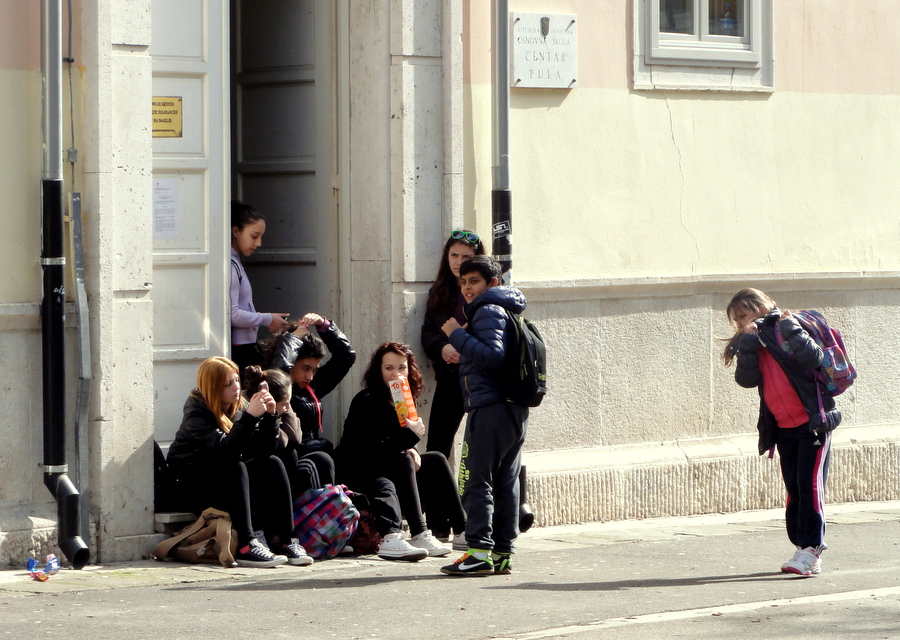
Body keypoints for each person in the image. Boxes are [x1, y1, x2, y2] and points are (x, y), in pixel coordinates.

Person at [723, 288, 841, 576]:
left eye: (743, 315)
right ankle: (802, 547)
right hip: (782, 427)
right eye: (736, 320)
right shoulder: (753, 340)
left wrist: (790, 329)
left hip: (813, 421)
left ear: (760, 307)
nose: (739, 323)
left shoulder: (788, 325)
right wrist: (748, 343)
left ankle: (813, 549)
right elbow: (746, 380)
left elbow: (813, 359)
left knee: (810, 485)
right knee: (794, 489)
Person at [166, 356, 311, 567]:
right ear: (214, 387)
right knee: (236, 466)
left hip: (221, 477)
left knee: (272, 463)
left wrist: (271, 416)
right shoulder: (196, 413)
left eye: (236, 380)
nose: (236, 387)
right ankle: (247, 544)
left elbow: (263, 450)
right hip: (191, 484)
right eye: (228, 384)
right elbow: (225, 451)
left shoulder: (238, 405)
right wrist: (250, 417)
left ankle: (286, 540)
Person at [439, 256, 529, 576]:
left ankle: (478, 553)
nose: (466, 288)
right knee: (505, 481)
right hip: (512, 409)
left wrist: (456, 334)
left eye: (473, 281)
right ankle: (502, 552)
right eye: (463, 282)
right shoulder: (505, 309)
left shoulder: (488, 310)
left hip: (489, 406)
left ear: (492, 283)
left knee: (479, 480)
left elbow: (492, 356)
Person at [334, 342, 465, 561]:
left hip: (388, 462)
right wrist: (410, 438)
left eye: (401, 368)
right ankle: (419, 532)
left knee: (436, 459)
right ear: (379, 370)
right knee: (403, 461)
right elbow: (372, 449)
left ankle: (462, 529)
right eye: (389, 368)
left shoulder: (403, 398)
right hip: (359, 468)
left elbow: (395, 444)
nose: (396, 373)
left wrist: (410, 445)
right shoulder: (367, 400)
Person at [421, 230, 486, 460]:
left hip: (482, 377)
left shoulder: (487, 293)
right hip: (450, 377)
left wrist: (463, 341)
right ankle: (437, 495)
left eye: (466, 257)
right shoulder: (440, 291)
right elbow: (428, 332)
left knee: (483, 446)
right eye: (454, 255)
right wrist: (442, 348)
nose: (458, 262)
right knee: (438, 445)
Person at [241, 365, 335, 498]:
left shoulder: (283, 409)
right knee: (289, 454)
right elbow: (284, 441)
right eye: (285, 404)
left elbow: (296, 437)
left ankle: (326, 507)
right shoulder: (250, 413)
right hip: (265, 483)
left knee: (322, 460)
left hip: (284, 475)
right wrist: (272, 413)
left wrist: (287, 405)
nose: (287, 408)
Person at [230, 201, 289, 378]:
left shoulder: (235, 262)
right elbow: (233, 315)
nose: (258, 243)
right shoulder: (230, 265)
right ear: (235, 231)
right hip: (241, 350)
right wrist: (267, 319)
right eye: (254, 236)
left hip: (245, 346)